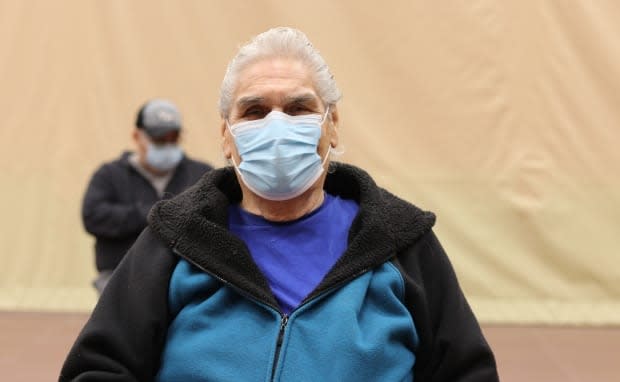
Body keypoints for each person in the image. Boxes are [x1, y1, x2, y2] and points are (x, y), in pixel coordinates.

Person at [61, 27, 499, 381]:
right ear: (226, 137)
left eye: (298, 108)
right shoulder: (173, 241)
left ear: (333, 126)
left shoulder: (402, 243)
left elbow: (466, 371)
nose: (277, 125)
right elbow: (98, 367)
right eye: (253, 112)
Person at [81, 98, 213, 294]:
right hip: (120, 276)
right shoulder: (109, 175)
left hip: (186, 278)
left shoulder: (202, 175)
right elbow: (93, 216)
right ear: (137, 136)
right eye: (159, 140)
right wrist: (155, 214)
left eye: (173, 138)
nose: (167, 146)